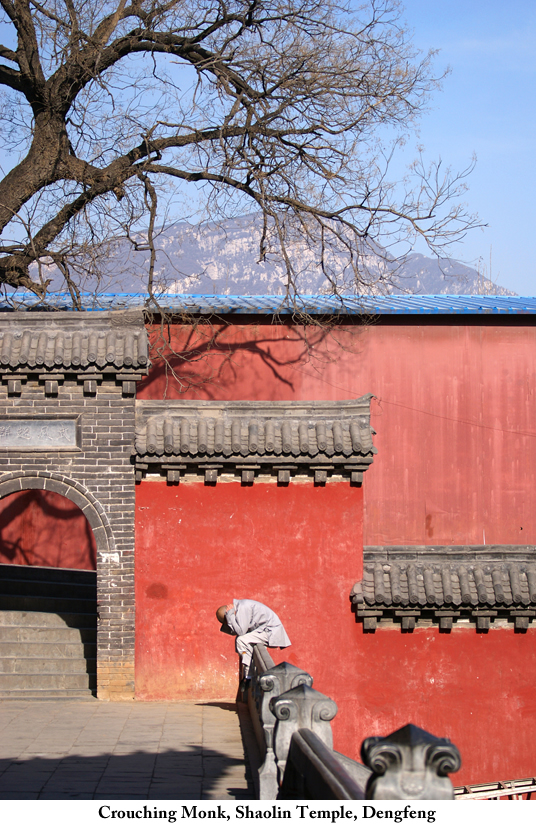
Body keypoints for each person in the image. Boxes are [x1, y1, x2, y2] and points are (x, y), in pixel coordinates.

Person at [216, 598, 291, 678]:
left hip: (271, 631)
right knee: (242, 643)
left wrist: (230, 616)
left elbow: (240, 632)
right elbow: (235, 631)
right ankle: (247, 665)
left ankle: (249, 673)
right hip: (264, 630)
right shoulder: (240, 607)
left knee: (241, 640)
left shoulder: (243, 607)